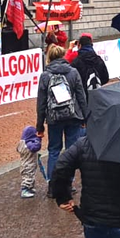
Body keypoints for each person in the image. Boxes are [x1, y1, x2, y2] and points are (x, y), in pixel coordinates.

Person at [36, 45, 87, 195]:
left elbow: (41, 102)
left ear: (49, 57)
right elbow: (81, 97)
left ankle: (53, 186)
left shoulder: (45, 75)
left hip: (54, 118)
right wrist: (84, 117)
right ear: (63, 55)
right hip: (73, 116)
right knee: (71, 151)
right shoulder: (73, 72)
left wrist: (40, 125)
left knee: (54, 151)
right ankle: (67, 185)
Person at [17, 126, 42, 198]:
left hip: (24, 164)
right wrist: (39, 138)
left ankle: (29, 188)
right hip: (29, 165)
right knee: (28, 177)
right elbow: (36, 147)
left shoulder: (22, 143)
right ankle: (25, 190)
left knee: (30, 176)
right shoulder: (29, 144)